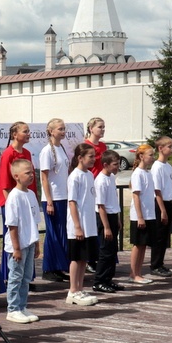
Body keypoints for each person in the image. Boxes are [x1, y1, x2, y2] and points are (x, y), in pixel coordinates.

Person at [0, 122, 37, 291]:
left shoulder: (26, 153)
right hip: (13, 202)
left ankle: (26, 277)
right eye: (25, 131)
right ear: (14, 134)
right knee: (14, 239)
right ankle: (10, 276)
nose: (28, 134)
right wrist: (12, 204)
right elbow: (5, 184)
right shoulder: (8, 154)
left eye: (28, 131)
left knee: (28, 237)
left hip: (26, 201)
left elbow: (31, 182)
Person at [3, 159, 41, 324]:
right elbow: (12, 224)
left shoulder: (31, 194)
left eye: (32, 172)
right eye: (27, 173)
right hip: (18, 245)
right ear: (16, 176)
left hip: (30, 242)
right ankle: (12, 309)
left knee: (26, 277)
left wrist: (36, 243)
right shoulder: (14, 196)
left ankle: (22, 306)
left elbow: (35, 220)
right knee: (16, 277)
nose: (31, 175)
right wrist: (16, 248)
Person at [64, 144, 99, 306]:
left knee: (84, 258)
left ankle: (80, 288)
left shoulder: (89, 175)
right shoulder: (74, 177)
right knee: (76, 258)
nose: (93, 159)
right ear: (80, 158)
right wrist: (77, 226)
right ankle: (72, 290)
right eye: (90, 156)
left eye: (94, 156)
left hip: (89, 224)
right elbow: (72, 202)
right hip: (78, 224)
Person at [40, 118, 70, 282]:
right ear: (51, 131)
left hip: (63, 196)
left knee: (61, 232)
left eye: (64, 128)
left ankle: (58, 266)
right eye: (60, 129)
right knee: (53, 233)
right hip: (53, 198)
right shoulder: (47, 151)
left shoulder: (61, 148)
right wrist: (49, 201)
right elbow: (44, 178)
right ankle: (49, 268)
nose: (63, 132)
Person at [92, 149, 126, 293]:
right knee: (105, 251)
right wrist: (106, 227)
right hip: (104, 217)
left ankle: (108, 279)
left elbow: (113, 200)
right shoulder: (100, 181)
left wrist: (117, 218)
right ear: (105, 165)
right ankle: (99, 281)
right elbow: (101, 206)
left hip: (112, 215)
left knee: (112, 251)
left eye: (118, 164)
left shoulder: (111, 177)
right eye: (115, 164)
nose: (117, 167)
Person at [129, 144, 157, 284]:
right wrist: (140, 217)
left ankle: (139, 272)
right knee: (138, 244)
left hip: (149, 214)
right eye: (150, 155)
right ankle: (133, 273)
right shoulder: (138, 174)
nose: (153, 158)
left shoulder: (147, 173)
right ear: (141, 156)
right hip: (140, 215)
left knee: (144, 244)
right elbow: (136, 196)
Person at [151, 136, 172, 278]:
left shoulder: (168, 166)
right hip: (161, 204)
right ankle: (155, 265)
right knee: (159, 236)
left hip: (169, 202)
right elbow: (157, 190)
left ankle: (160, 263)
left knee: (165, 236)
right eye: (169, 147)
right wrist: (162, 210)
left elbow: (170, 188)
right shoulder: (157, 167)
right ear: (160, 148)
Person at [83, 117, 107, 273]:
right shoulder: (86, 145)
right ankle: (89, 259)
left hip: (101, 187)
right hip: (90, 186)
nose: (102, 129)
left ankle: (99, 256)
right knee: (92, 223)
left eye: (104, 127)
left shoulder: (103, 146)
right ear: (91, 128)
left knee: (100, 222)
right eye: (100, 127)